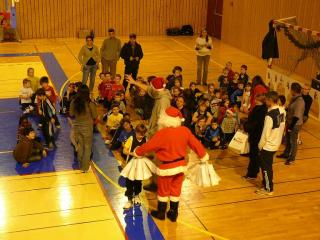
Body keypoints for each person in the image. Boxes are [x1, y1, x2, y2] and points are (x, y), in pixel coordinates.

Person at [134, 106, 209, 222]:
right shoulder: (185, 131)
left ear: (164, 119)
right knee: (176, 189)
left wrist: (137, 151)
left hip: (166, 168)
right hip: (180, 167)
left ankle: (161, 212)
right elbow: (196, 144)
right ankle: (173, 213)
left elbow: (149, 146)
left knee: (163, 191)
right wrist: (203, 155)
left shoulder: (162, 133)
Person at [256, 91, 283, 195]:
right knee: (268, 166)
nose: (265, 101)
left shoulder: (269, 116)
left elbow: (265, 134)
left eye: (266, 99)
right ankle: (267, 183)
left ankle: (268, 189)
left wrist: (260, 146)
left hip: (268, 146)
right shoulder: (282, 110)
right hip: (276, 143)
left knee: (266, 168)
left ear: (270, 100)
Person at [70, 85, 98, 172]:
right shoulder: (90, 103)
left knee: (80, 146)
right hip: (87, 128)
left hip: (77, 126)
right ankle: (85, 167)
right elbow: (95, 116)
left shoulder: (74, 102)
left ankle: (80, 164)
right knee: (87, 147)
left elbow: (71, 114)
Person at [277, 83, 305, 165]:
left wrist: (290, 127)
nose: (290, 91)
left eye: (290, 89)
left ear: (293, 90)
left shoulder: (300, 101)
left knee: (293, 142)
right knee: (288, 140)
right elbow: (290, 109)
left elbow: (297, 116)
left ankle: (292, 158)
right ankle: (286, 154)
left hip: (295, 125)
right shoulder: (294, 98)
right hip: (290, 123)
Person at [122, 124, 147, 209]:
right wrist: (132, 153)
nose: (141, 136)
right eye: (139, 134)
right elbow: (124, 151)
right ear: (136, 132)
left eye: (143, 134)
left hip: (140, 164)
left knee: (138, 181)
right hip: (131, 164)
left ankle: (136, 195)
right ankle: (129, 200)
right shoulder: (131, 139)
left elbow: (146, 151)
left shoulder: (145, 139)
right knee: (129, 182)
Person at [243, 93, 268, 179]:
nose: (254, 101)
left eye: (256, 100)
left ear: (260, 101)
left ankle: (252, 174)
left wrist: (245, 126)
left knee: (254, 155)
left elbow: (255, 124)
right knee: (254, 155)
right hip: (256, 135)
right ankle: (254, 171)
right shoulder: (261, 108)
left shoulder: (260, 111)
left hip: (256, 136)